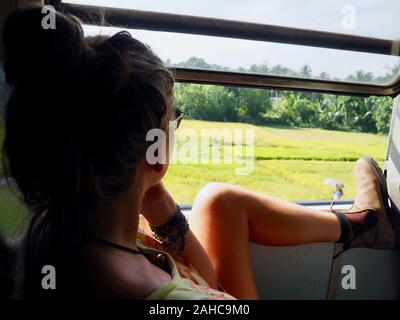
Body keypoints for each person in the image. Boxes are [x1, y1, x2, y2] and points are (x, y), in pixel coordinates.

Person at [1, 6, 399, 300]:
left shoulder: (64, 232)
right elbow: (207, 289)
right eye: (171, 120)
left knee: (217, 201)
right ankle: (364, 223)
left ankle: (362, 222)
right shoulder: (157, 293)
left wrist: (164, 213)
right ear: (153, 156)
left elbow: (203, 276)